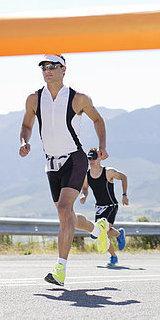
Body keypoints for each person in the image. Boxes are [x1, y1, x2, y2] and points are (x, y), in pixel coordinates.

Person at [19, 54, 110, 287]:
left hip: (75, 159)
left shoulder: (77, 98)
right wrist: (24, 141)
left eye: (52, 66)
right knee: (65, 214)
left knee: (63, 207)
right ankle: (98, 230)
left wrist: (102, 146)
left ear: (64, 69)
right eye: (44, 67)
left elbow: (98, 120)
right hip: (51, 162)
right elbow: (27, 125)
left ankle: (60, 268)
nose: (47, 70)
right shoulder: (34, 99)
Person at [79, 148, 129, 266]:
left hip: (111, 206)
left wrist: (124, 195)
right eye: (89, 158)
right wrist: (83, 195)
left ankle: (116, 242)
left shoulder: (108, 172)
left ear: (100, 158)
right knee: (101, 233)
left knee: (103, 231)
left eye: (94, 158)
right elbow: (85, 188)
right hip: (99, 208)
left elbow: (123, 177)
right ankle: (114, 251)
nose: (91, 161)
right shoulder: (87, 175)